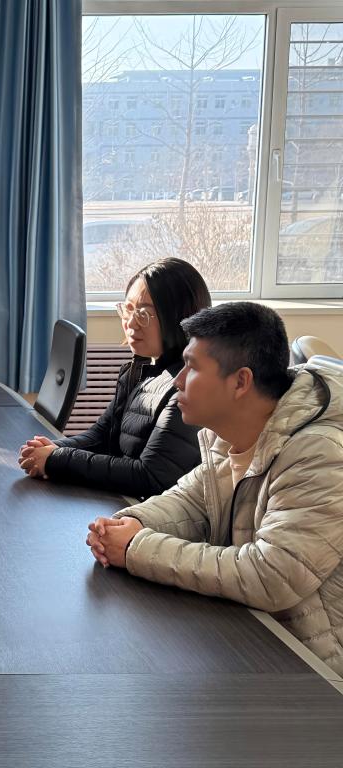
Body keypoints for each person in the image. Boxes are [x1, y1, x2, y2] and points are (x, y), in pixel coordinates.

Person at [86, 302, 343, 675]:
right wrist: (130, 524)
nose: (177, 380)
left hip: (314, 672)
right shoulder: (232, 430)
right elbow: (189, 501)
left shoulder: (320, 453)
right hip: (252, 640)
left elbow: (271, 576)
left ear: (240, 382)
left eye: (192, 367)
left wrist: (135, 548)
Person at [18, 258, 211, 499]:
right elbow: (101, 437)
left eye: (144, 314)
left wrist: (56, 459)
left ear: (179, 318)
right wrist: (52, 449)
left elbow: (150, 477)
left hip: (148, 515)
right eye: (128, 309)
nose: (131, 323)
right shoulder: (140, 369)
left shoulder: (189, 387)